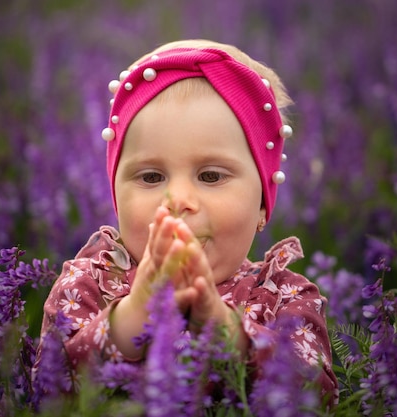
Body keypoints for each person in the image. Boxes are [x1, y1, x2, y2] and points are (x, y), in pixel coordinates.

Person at [37, 39, 338, 406]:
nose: (177, 199)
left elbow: (318, 398)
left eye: (211, 176)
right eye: (150, 177)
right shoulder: (88, 284)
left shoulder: (282, 296)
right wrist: (133, 318)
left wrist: (228, 332)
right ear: (116, 198)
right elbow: (50, 393)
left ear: (262, 205)